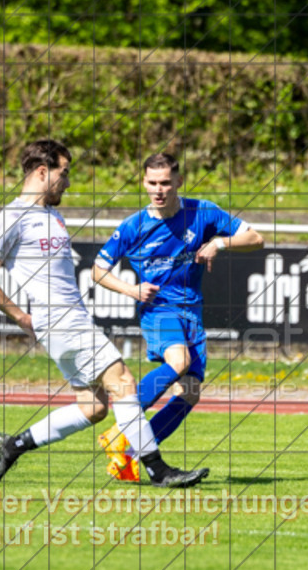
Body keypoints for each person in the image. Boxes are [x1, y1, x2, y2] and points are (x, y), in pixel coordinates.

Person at [0, 140, 209, 488]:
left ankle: (13, 445)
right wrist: (22, 318)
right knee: (124, 382)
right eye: (63, 173)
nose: (67, 182)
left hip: (69, 321)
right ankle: (158, 470)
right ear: (42, 172)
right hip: (61, 321)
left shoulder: (51, 213)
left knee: (93, 407)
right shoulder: (12, 218)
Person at [92, 153, 264, 481]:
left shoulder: (203, 212)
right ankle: (120, 428)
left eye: (165, 183)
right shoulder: (133, 226)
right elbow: (97, 271)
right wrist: (132, 290)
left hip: (192, 313)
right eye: (152, 183)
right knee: (180, 360)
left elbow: (256, 239)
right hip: (158, 310)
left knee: (190, 392)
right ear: (144, 183)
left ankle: (128, 451)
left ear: (178, 182)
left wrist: (220, 243)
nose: (158, 190)